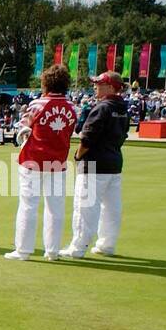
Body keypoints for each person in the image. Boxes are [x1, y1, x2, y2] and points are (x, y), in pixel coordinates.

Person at [6, 64, 77, 261]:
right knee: (56, 207)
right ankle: (52, 251)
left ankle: (23, 250)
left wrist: (23, 135)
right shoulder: (72, 107)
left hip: (33, 161)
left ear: (46, 83)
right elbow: (69, 132)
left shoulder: (38, 104)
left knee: (28, 205)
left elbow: (22, 126)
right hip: (59, 162)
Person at [63, 71, 128, 259]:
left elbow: (87, 137)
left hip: (93, 164)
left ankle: (77, 247)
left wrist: (77, 155)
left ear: (110, 87)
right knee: (111, 208)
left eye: (99, 84)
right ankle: (107, 244)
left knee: (85, 207)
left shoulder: (102, 108)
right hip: (114, 162)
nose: (95, 86)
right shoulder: (122, 108)